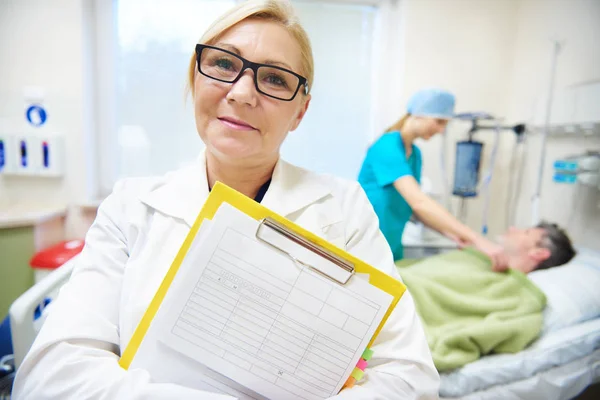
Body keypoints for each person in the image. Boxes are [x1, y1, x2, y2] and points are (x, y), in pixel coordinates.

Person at [13, 1, 439, 398]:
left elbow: (410, 376)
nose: (241, 92)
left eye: (274, 78)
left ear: (300, 111)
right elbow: (51, 377)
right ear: (195, 77)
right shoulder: (131, 207)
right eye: (223, 64)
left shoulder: (342, 208)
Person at [358, 88, 507, 269]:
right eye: (438, 122)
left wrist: (450, 233)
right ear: (418, 114)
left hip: (391, 249)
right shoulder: (387, 146)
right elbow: (419, 202)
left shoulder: (415, 155)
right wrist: (478, 239)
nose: (441, 130)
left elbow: (415, 210)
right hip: (367, 248)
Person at [396, 221, 576, 371]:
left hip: (399, 303)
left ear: (539, 253)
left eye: (526, 232)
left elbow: (494, 332)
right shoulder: (475, 259)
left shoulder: (522, 297)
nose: (513, 228)